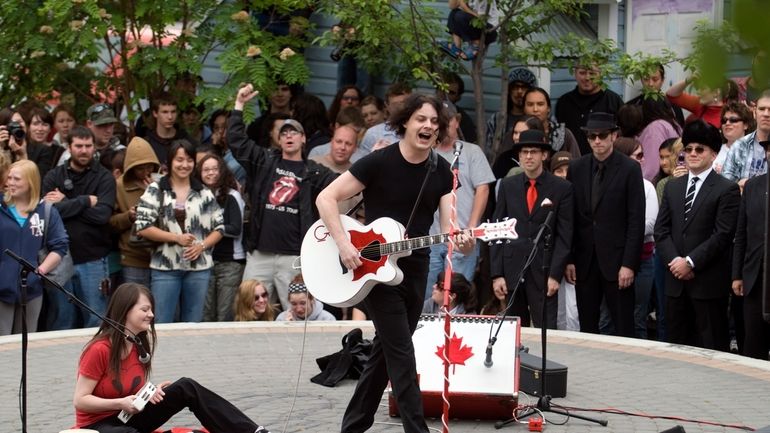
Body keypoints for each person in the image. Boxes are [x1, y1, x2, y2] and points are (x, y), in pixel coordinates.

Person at [315, 93, 474, 433]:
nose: (428, 126)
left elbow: (449, 227)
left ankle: (353, 426)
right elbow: (326, 198)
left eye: (434, 121)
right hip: (374, 269)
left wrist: (463, 239)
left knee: (384, 354)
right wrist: (344, 245)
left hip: (416, 268)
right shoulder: (378, 162)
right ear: (405, 123)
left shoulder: (441, 171)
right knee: (401, 353)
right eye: (421, 119)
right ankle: (417, 429)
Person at [72, 282, 271, 433]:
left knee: (186, 386)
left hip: (129, 416)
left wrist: (149, 393)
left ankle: (252, 431)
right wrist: (120, 403)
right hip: (98, 426)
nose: (151, 314)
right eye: (144, 309)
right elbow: (80, 401)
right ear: (125, 311)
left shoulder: (138, 344)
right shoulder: (99, 349)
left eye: (151, 309)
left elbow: (130, 392)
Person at [228, 84, 337, 311]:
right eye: (284, 133)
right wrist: (239, 105)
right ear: (278, 140)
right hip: (260, 255)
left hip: (294, 258)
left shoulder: (314, 172)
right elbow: (237, 142)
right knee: (247, 309)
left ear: (304, 139)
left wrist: (374, 161)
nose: (288, 136)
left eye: (294, 132)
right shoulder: (265, 161)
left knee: (299, 311)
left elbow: (346, 182)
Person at [654, 120, 740, 351]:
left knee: (710, 348)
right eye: (688, 149)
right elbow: (661, 231)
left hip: (707, 285)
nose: (692, 154)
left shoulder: (726, 189)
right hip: (675, 284)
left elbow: (722, 235)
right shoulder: (673, 187)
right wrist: (675, 262)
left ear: (713, 154)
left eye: (699, 149)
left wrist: (690, 262)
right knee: (676, 348)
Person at [565, 112, 645, 337]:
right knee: (587, 325)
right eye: (592, 136)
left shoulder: (630, 169)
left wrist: (629, 263)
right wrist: (570, 259)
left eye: (602, 135)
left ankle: (626, 369)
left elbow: (636, 220)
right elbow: (571, 216)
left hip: (618, 261)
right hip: (585, 259)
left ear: (614, 136)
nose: (597, 141)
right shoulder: (577, 168)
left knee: (623, 325)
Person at [134, 140, 224, 323]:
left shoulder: (204, 192)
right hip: (165, 266)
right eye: (179, 160)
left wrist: (202, 245)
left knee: (194, 323)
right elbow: (142, 226)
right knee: (160, 322)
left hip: (199, 268)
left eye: (189, 160)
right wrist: (176, 238)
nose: (184, 165)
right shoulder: (156, 189)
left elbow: (220, 228)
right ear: (170, 161)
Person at [490, 129, 573, 328]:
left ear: (544, 155)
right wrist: (497, 274)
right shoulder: (508, 186)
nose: (528, 156)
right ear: (519, 155)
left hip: (544, 269)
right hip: (512, 268)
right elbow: (497, 230)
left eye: (534, 151)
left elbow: (565, 235)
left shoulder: (561, 188)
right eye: (524, 152)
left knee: (547, 329)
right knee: (514, 329)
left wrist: (555, 275)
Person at [42, 125, 117, 330]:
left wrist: (65, 201)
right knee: (61, 320)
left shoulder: (104, 178)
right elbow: (50, 213)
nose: (84, 150)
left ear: (94, 147)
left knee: (96, 319)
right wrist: (84, 201)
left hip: (93, 259)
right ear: (69, 147)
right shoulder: (53, 177)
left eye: (88, 146)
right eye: (79, 146)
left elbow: (102, 216)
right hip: (59, 259)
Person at [424, 102, 494, 298]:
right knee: (429, 298)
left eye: (449, 120)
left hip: (462, 238)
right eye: (441, 121)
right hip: (430, 237)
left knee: (456, 295)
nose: (445, 126)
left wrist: (472, 227)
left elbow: (483, 189)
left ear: (457, 121)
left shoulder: (471, 151)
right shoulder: (427, 153)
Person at [0, 160, 68, 335]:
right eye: (9, 178)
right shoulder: (1, 206)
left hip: (31, 290)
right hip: (1, 288)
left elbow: (60, 245)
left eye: (16, 179)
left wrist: (41, 270)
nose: (10, 183)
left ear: (30, 182)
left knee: (25, 342)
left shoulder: (45, 211)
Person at [613, 137, 659, 338]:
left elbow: (649, 225)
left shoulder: (647, 186)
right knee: (607, 319)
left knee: (638, 318)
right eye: (637, 155)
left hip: (642, 259)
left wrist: (617, 233)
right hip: (611, 260)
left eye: (643, 155)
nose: (642, 160)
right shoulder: (609, 182)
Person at [732, 139, 770, 360]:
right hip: (755, 277)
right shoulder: (753, 186)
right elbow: (742, 233)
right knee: (753, 344)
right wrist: (737, 275)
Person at [198, 153, 246, 322]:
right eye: (206, 170)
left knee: (224, 314)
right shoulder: (198, 196)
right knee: (206, 313)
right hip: (205, 261)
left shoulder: (232, 195)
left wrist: (214, 230)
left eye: (214, 169)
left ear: (222, 171)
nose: (210, 173)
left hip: (229, 263)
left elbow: (236, 228)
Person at [110, 137, 161, 288]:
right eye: (140, 168)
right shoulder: (119, 186)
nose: (146, 172)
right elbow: (110, 222)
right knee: (136, 304)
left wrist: (156, 192)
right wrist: (128, 217)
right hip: (133, 257)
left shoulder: (161, 182)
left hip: (161, 255)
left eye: (149, 167)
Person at [555, 64, 624, 155]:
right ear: (575, 73)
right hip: (572, 163)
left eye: (592, 73)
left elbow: (622, 137)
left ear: (600, 74)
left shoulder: (613, 101)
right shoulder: (564, 102)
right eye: (582, 73)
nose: (587, 77)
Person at [721, 89, 770, 188]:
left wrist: (749, 184)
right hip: (743, 202)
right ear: (755, 112)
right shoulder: (739, 146)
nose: (766, 114)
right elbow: (725, 187)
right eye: (761, 109)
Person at [485, 68, 537, 159]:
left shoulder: (537, 118)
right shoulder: (496, 120)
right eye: (515, 87)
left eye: (524, 87)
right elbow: (488, 150)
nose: (519, 91)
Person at [522, 87, 581, 158]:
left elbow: (577, 165)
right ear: (524, 108)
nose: (535, 109)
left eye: (540, 104)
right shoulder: (516, 133)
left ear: (548, 108)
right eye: (530, 104)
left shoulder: (564, 134)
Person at [636, 96, 682, 181]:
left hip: (659, 181)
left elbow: (652, 164)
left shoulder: (655, 128)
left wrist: (646, 186)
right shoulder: (674, 124)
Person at [143, 92, 192, 169]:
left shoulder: (187, 141)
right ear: (155, 113)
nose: (170, 117)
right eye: (165, 112)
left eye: (173, 112)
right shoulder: (146, 144)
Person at [714, 102, 755, 174]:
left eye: (733, 120)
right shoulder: (713, 150)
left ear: (745, 125)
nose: (727, 123)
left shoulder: (755, 152)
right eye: (724, 120)